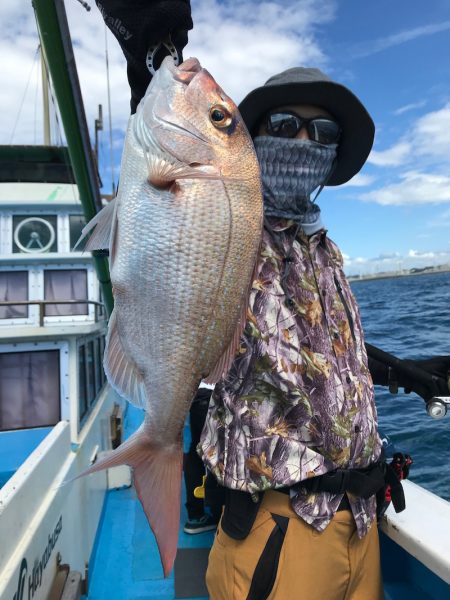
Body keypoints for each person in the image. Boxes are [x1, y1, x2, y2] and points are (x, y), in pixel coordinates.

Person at [95, 3, 450, 598]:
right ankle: (155, 447)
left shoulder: (324, 249)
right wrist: (156, 50)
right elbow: (174, 160)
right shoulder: (235, 225)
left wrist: (405, 371)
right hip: (280, 530)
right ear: (251, 144)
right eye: (285, 125)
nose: (305, 141)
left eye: (324, 133)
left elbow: (318, 353)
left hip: (361, 519)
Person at [183, 384, 222, 534]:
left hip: (197, 398)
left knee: (195, 453)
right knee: (219, 455)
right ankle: (219, 513)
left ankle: (195, 515)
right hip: (218, 397)